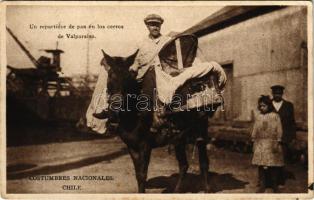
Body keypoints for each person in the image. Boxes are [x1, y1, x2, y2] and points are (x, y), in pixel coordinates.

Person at [251, 95, 284, 193]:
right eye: (260, 106)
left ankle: (274, 185)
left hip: (272, 143)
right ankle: (262, 185)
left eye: (264, 106)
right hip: (261, 143)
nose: (262, 108)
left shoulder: (275, 116)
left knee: (273, 165)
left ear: (269, 106)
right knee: (261, 165)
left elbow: (279, 128)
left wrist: (278, 140)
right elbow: (255, 128)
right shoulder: (259, 116)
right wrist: (253, 139)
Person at [271, 85, 296, 187]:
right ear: (272, 94)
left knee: (282, 160)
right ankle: (270, 181)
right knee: (270, 160)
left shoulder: (288, 105)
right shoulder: (268, 104)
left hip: (284, 138)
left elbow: (292, 122)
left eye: (279, 93)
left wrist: (292, 137)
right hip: (270, 138)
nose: (277, 95)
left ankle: (280, 181)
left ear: (282, 94)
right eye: (275, 93)